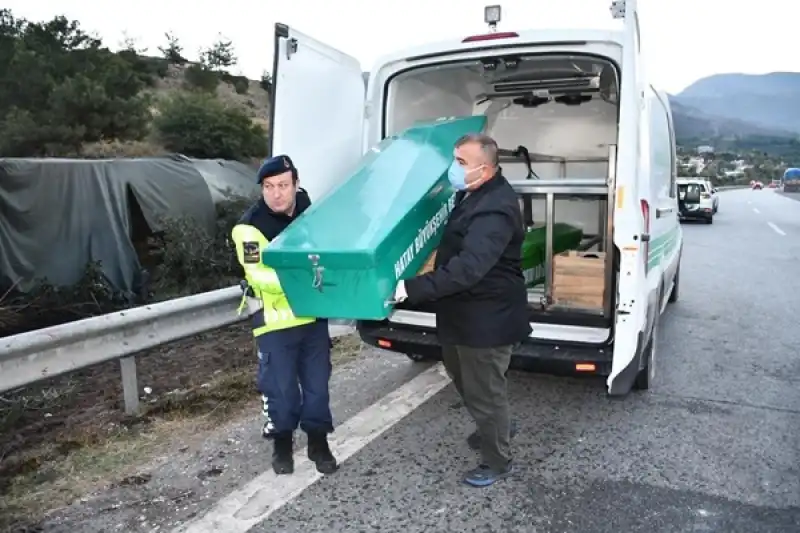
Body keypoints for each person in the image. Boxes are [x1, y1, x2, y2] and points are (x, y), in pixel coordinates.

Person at [393, 133, 531, 487]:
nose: (453, 169)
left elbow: (470, 267)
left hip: (487, 319)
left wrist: (412, 289)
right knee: (463, 378)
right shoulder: (471, 194)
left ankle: (497, 460)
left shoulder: (496, 207)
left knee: (485, 391)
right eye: (454, 159)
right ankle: (497, 427)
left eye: (461, 163)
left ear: (484, 169)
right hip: (463, 313)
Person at [231, 154, 338, 476]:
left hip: (312, 318)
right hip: (274, 322)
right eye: (268, 187)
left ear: (296, 185)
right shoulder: (248, 228)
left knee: (318, 388)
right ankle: (281, 443)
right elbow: (260, 276)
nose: (276, 193)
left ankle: (319, 443)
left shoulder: (311, 212)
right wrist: (310, 277)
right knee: (281, 391)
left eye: (282, 185)